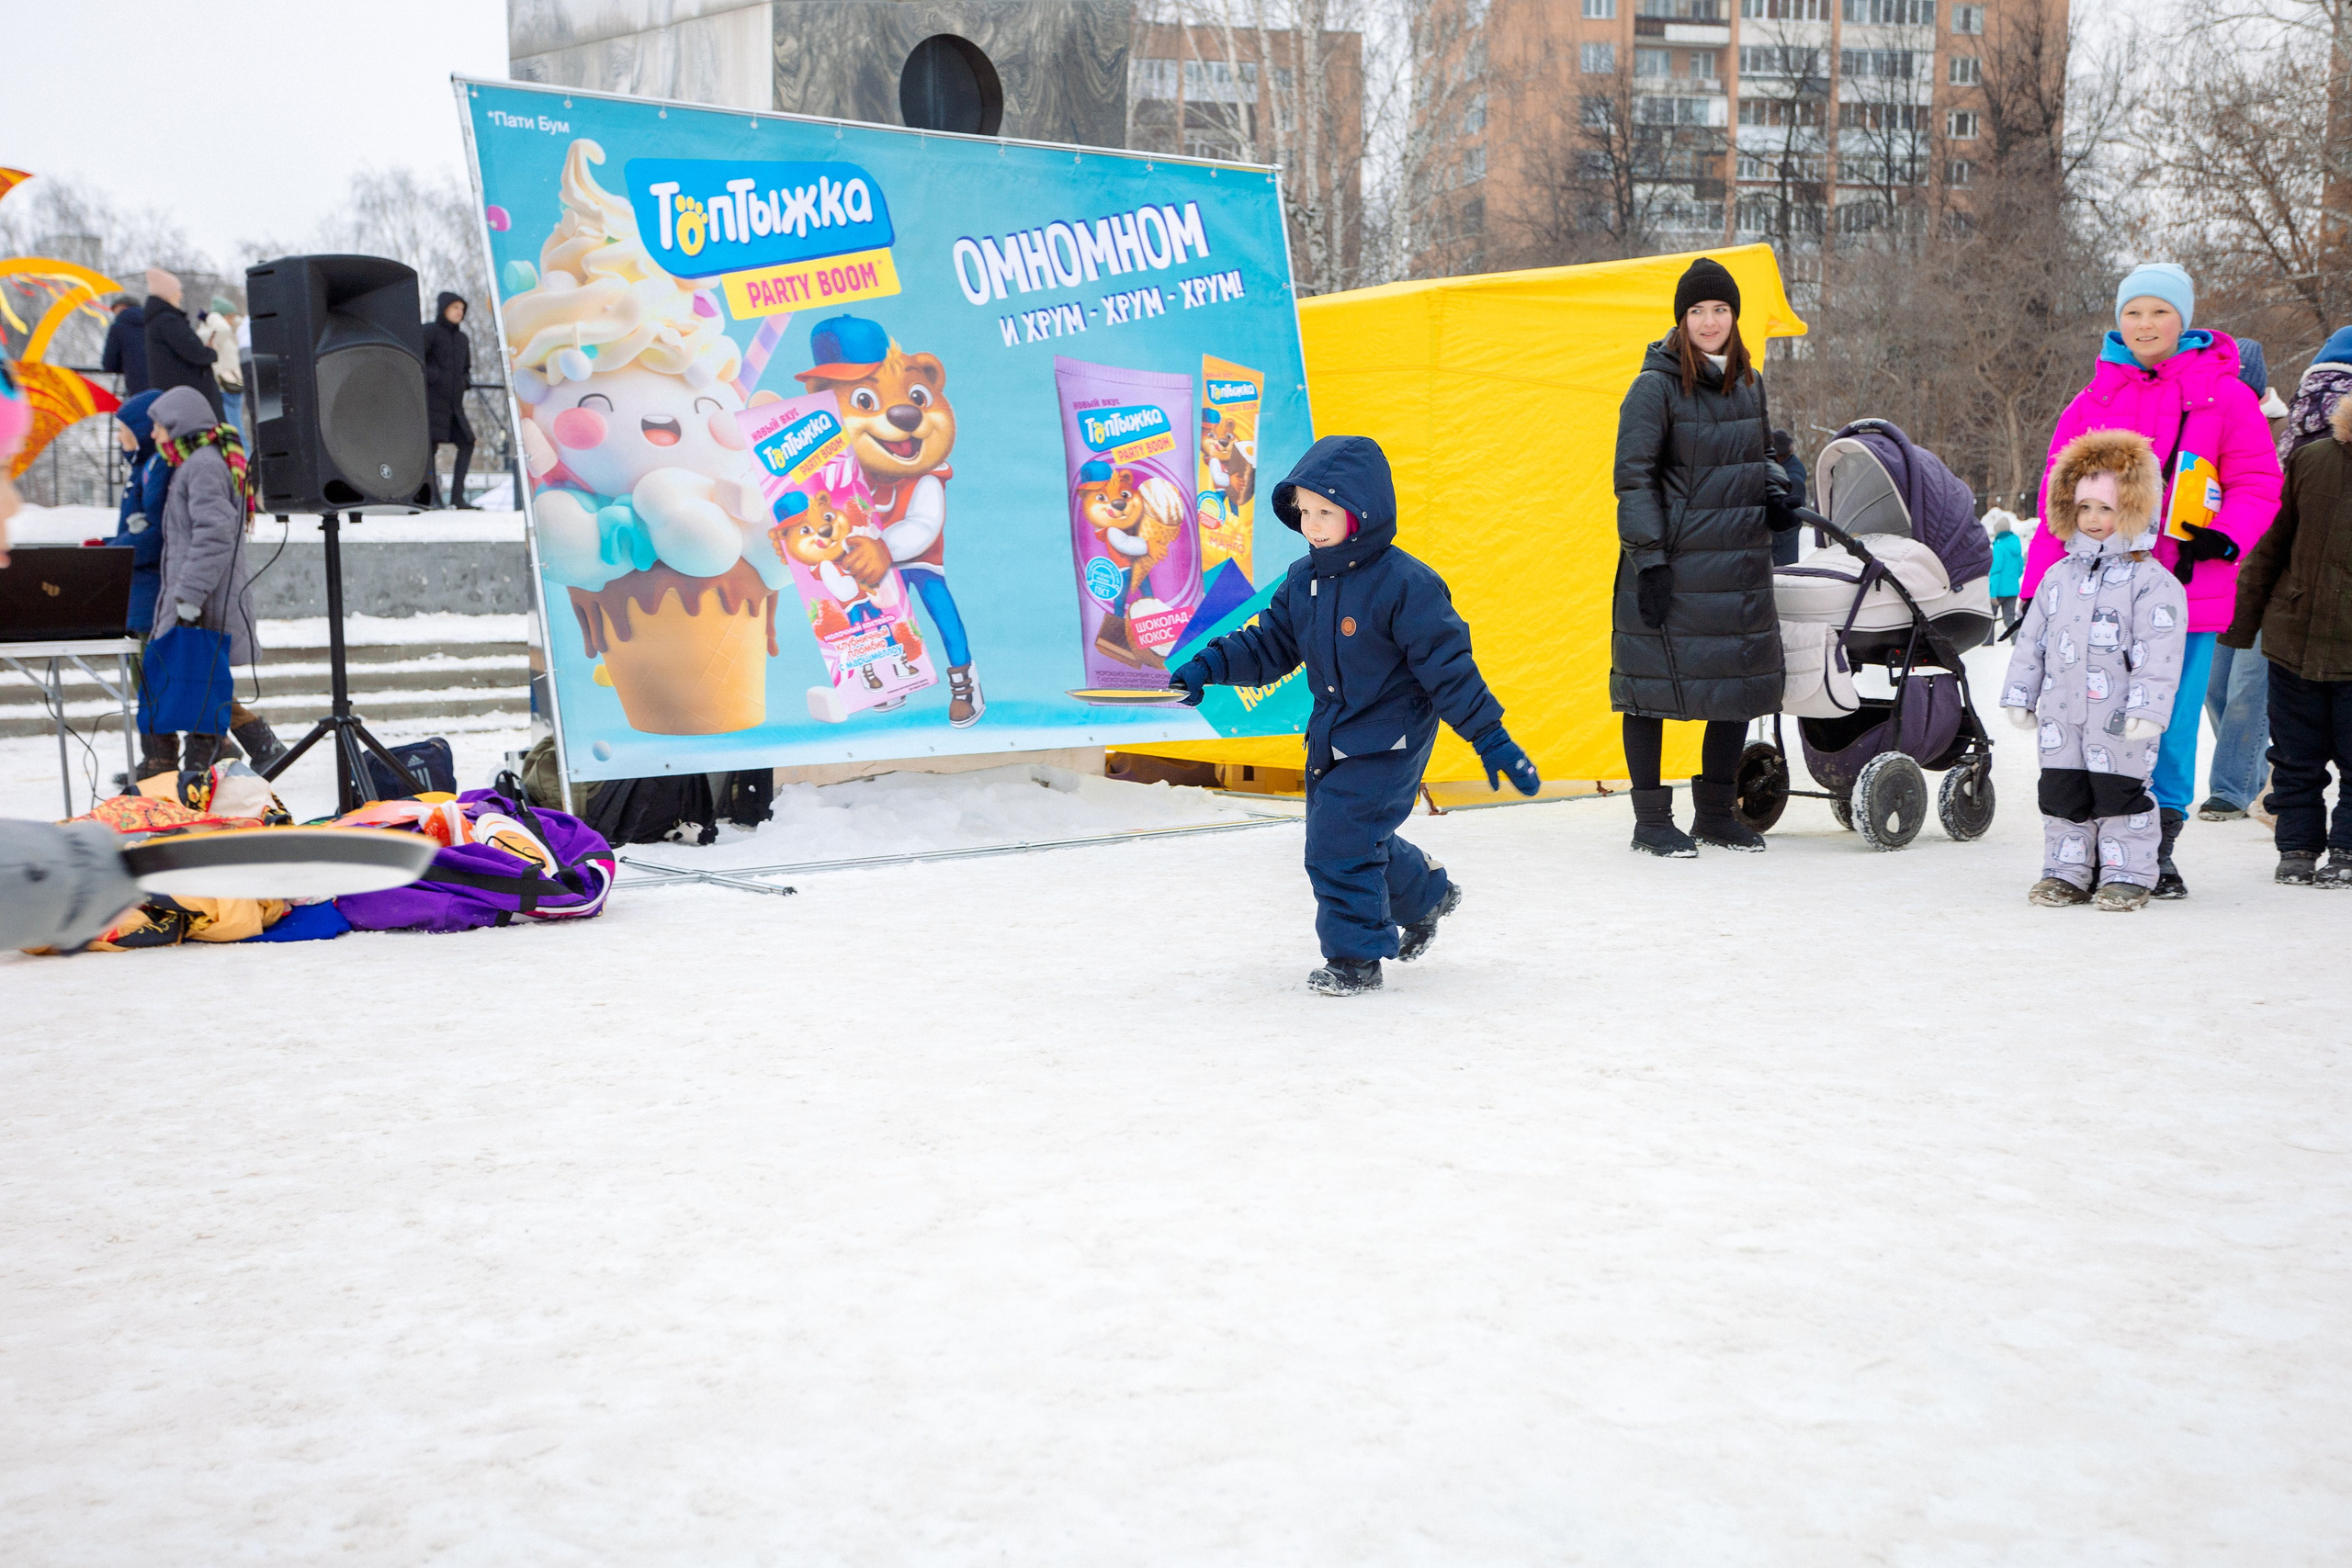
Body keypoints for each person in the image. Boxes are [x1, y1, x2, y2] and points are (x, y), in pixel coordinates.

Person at [1168, 435, 1539, 997]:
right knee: (1357, 839)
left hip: (1391, 739)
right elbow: (1268, 644)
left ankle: (1355, 959)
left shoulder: (1406, 584)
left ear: (1362, 512)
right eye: (1305, 511)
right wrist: (1207, 668)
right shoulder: (1304, 580)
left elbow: (1449, 670)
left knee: (1337, 843)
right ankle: (1428, 893)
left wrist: (1490, 737)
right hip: (1331, 737)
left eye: (1326, 512)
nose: (1313, 525)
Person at [2021, 262, 2281, 897]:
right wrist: (2034, 589)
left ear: (2183, 319)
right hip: (2094, 595)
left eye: (2159, 311)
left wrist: (2229, 536)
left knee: (2166, 718)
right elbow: (2058, 499)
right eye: (2133, 311)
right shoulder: (2092, 400)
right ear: (2119, 320)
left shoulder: (2226, 395)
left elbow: (2258, 481)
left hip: (2187, 590)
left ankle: (2155, 849)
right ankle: (2089, 850)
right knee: (2093, 719)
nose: (2145, 324)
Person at [1611, 256, 1797, 858]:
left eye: (1720, 310)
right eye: (1698, 311)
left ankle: (1716, 813)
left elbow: (1757, 455)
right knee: (1650, 687)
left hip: (1737, 561)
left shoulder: (1749, 381)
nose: (1710, 321)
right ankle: (1650, 820)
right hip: (1674, 562)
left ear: (1734, 317)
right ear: (1681, 319)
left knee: (1735, 683)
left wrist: (1775, 495)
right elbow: (1633, 478)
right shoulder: (1654, 386)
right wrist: (1651, 560)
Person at [2001, 431, 2188, 911]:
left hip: (2120, 717)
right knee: (2062, 792)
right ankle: (2066, 871)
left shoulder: (2153, 582)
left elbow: (2159, 653)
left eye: (2106, 508)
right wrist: (2022, 694)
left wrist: (2148, 709)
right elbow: (2032, 643)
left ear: (2132, 508)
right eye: (2084, 508)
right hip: (2061, 714)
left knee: (2119, 794)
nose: (2094, 519)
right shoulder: (2057, 577)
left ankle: (2127, 873)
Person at [2221, 384, 2352, 886]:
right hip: (2294, 637)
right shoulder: (2313, 460)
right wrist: (2241, 623)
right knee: (2295, 756)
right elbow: (2270, 547)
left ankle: (2346, 849)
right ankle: (2296, 846)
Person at [146, 386, 282, 773]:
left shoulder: (202, 466)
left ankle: (193, 774)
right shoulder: (199, 464)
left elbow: (214, 534)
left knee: (194, 689)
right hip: (202, 598)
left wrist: (187, 597)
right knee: (195, 688)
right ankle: (220, 762)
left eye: (158, 427)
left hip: (204, 602)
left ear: (178, 426)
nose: (154, 435)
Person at [105, 390, 178, 781]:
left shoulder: (157, 467)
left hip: (152, 589)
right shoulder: (142, 467)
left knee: (158, 678)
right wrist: (109, 545)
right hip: (138, 589)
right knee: (147, 678)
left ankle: (164, 759)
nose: (119, 438)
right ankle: (158, 757)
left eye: (123, 430)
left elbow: (155, 533)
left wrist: (117, 550)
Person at [140, 269, 222, 418]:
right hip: (188, 398)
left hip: (175, 395)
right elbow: (194, 352)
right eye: (177, 291)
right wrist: (211, 352)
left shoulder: (157, 320)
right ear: (167, 293)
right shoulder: (168, 320)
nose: (180, 294)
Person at [423, 291, 476, 509]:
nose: (459, 312)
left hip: (454, 406)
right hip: (431, 404)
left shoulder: (462, 339)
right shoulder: (429, 332)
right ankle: (432, 497)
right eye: (455, 307)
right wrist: (435, 376)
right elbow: (416, 361)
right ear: (443, 308)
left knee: (467, 442)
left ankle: (457, 498)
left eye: (462, 309)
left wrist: (465, 381)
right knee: (429, 449)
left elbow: (466, 368)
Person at [198, 295, 243, 440]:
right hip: (225, 387)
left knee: (237, 428)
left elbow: (240, 323)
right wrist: (214, 317)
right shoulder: (212, 332)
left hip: (233, 385)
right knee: (235, 430)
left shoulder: (223, 331)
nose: (232, 320)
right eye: (229, 316)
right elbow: (223, 329)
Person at [1769, 428, 1807, 568]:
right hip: (1781, 537)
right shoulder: (1786, 468)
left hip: (1784, 541)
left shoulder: (1792, 478)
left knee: (1783, 577)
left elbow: (1794, 515)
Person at [99, 297, 148, 396]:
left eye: (115, 311)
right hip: (163, 385)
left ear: (123, 307)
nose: (115, 315)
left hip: (137, 387)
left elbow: (109, 364)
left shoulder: (118, 327)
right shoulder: (154, 323)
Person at [1989, 513, 2025, 631]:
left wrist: (1992, 593)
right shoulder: (2016, 546)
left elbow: (1996, 571)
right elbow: (2020, 569)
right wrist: (2011, 580)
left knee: (1990, 620)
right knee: (2009, 619)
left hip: (1998, 591)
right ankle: (2016, 641)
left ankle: (1987, 646)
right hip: (2013, 590)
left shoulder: (1999, 547)